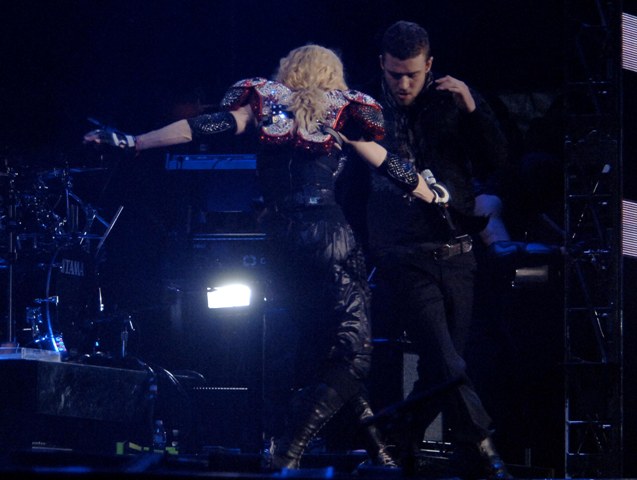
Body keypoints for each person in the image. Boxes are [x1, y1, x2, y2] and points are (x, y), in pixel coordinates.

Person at [83, 44, 437, 471]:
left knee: (328, 349)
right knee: (354, 354)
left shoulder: (263, 104)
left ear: (288, 71)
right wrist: (434, 195)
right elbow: (389, 164)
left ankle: (379, 453)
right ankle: (289, 444)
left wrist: (134, 141)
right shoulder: (342, 112)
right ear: (332, 76)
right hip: (327, 236)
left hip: (281, 240)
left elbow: (200, 127)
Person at [343, 21, 513, 479]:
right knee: (446, 358)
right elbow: (350, 184)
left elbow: (497, 162)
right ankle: (484, 448)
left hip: (456, 249)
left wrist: (473, 108)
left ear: (429, 65)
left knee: (441, 367)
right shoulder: (363, 109)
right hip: (402, 252)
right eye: (395, 74)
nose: (404, 84)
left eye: (412, 75)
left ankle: (395, 444)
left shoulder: (452, 99)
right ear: (382, 64)